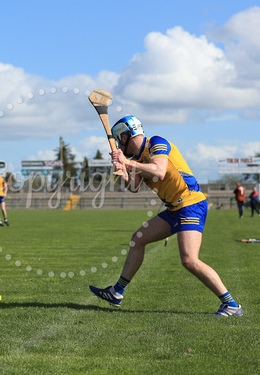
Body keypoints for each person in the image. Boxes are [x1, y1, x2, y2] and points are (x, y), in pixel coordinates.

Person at [89, 116, 242, 316]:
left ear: (126, 136)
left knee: (189, 260)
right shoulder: (136, 160)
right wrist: (122, 169)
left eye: (119, 139)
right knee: (138, 239)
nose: (118, 144)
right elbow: (133, 187)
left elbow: (159, 171)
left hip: (190, 204)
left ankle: (231, 305)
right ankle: (117, 292)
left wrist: (126, 161)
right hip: (173, 209)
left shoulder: (156, 142)